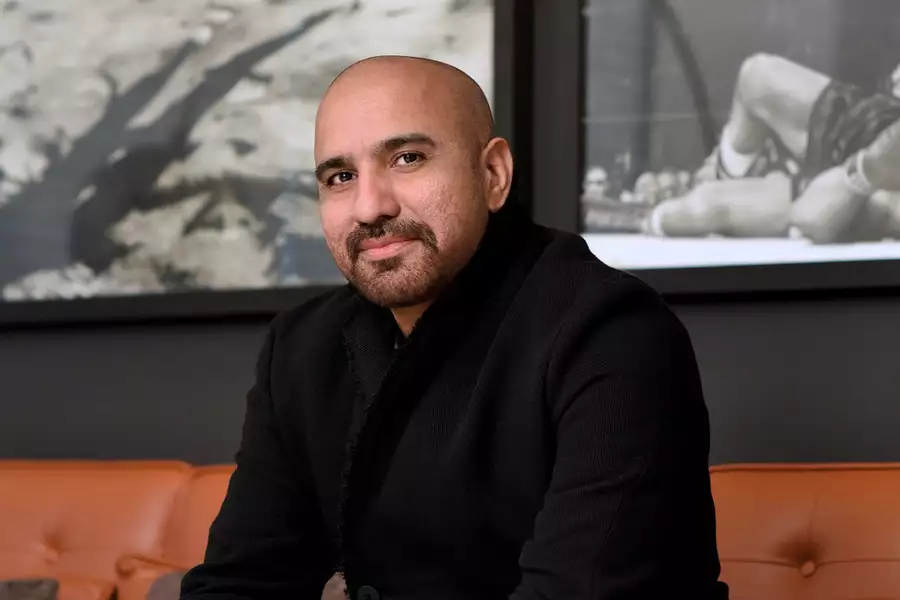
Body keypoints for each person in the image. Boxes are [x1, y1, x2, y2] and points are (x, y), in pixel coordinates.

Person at [179, 55, 728, 600]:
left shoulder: (612, 333)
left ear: (493, 175)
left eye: (407, 158)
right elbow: (239, 583)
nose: (369, 207)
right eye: (341, 177)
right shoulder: (301, 347)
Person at [644, 53, 900, 243]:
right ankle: (719, 177)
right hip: (883, 129)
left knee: (702, 207)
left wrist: (866, 170)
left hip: (871, 185)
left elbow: (812, 218)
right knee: (756, 75)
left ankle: (648, 211)